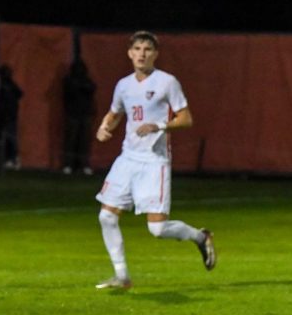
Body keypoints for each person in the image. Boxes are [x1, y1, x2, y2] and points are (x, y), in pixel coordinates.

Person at [94, 31, 216, 290]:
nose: (141, 54)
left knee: (157, 230)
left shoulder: (166, 82)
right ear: (129, 53)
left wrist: (159, 126)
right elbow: (115, 113)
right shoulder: (123, 85)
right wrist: (105, 127)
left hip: (154, 161)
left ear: (155, 54)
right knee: (106, 216)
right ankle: (122, 276)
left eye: (147, 49)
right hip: (127, 158)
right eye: (137, 48)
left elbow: (186, 119)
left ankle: (200, 237)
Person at [62, 57, 97, 175]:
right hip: (73, 113)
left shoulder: (86, 80)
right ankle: (68, 164)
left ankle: (84, 164)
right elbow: (71, 90)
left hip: (85, 114)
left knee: (84, 141)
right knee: (71, 140)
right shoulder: (69, 80)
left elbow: (92, 88)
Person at [0, 64, 23, 170]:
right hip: (6, 116)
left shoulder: (8, 85)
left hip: (9, 116)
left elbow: (19, 94)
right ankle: (8, 159)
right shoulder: (5, 85)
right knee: (5, 138)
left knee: (10, 138)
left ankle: (13, 159)